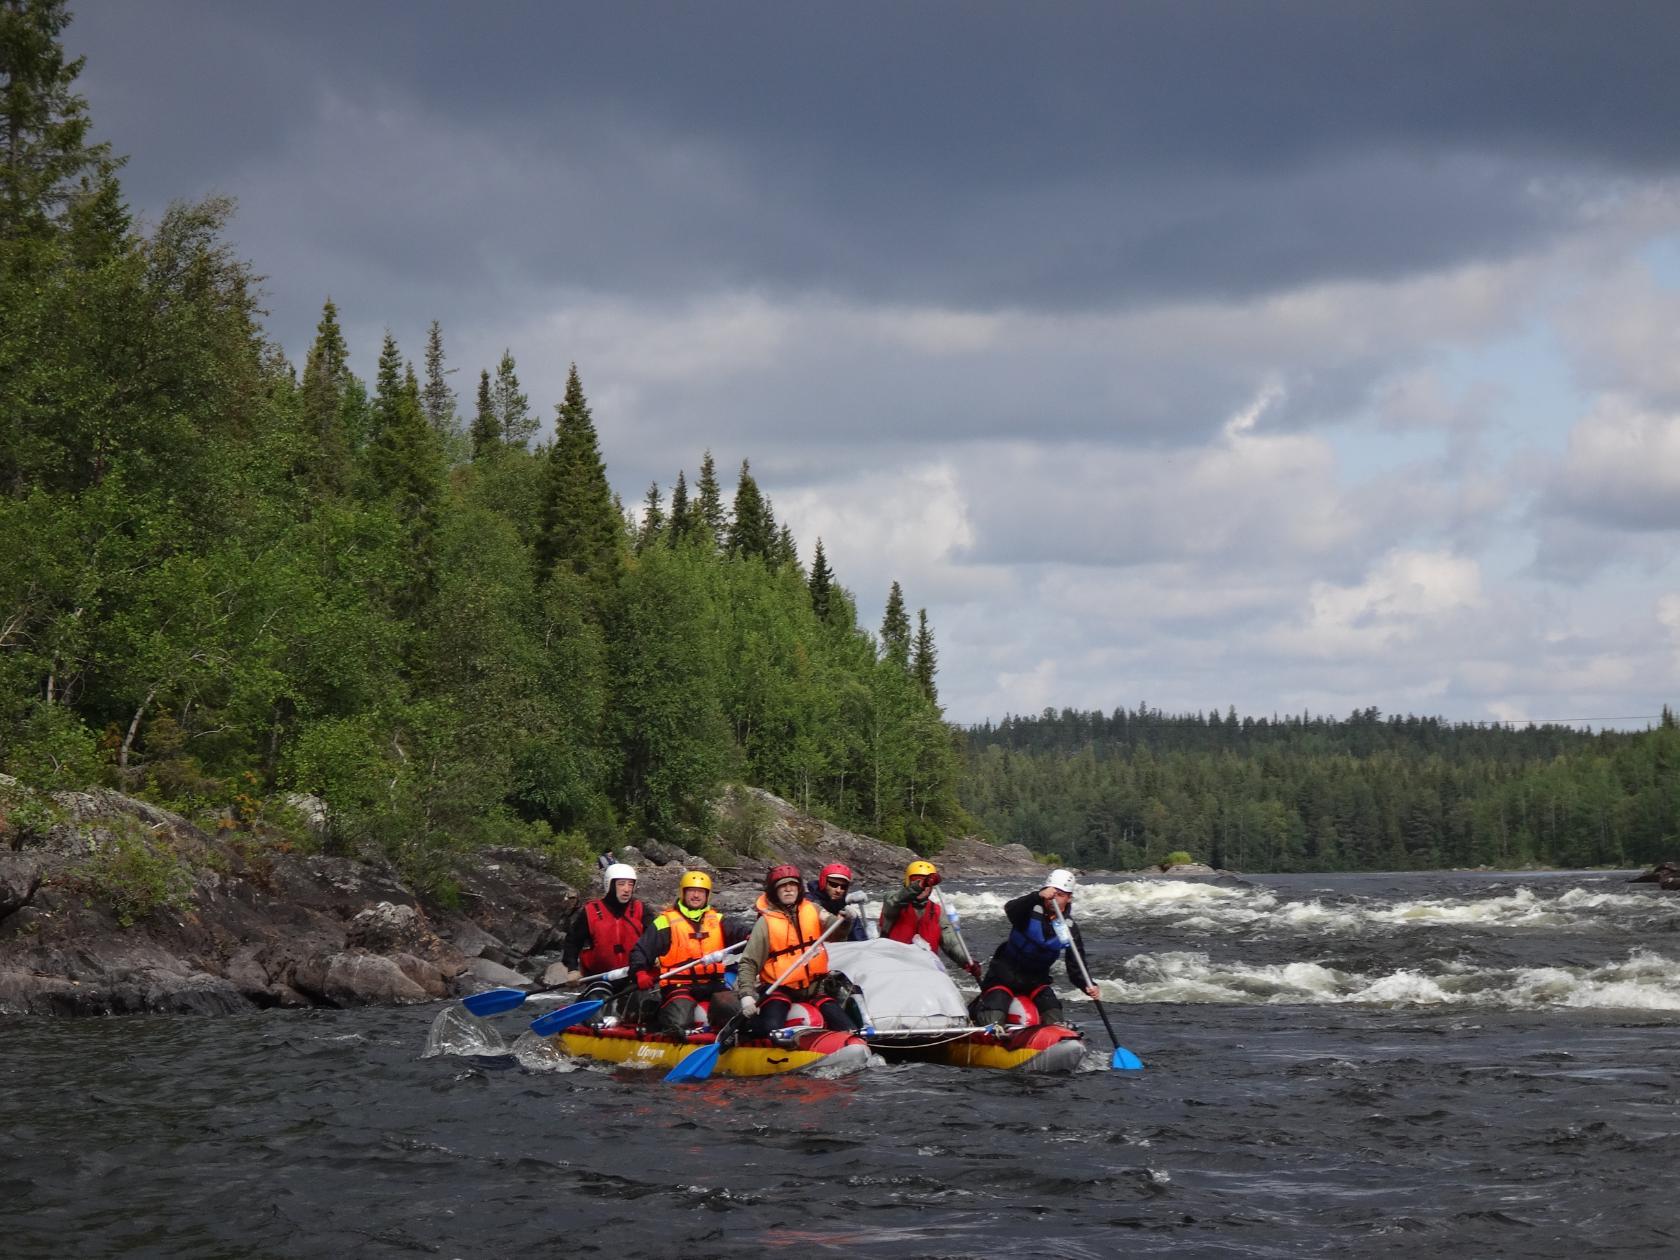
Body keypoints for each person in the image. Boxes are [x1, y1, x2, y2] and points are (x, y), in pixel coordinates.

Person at [736, 864, 859, 1035]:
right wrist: (747, 996)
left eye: (792, 885)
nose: (788, 890)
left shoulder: (814, 910)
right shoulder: (765, 923)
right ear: (775, 891)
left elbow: (836, 932)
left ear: (799, 888)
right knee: (769, 1027)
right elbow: (749, 962)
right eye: (782, 886)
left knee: (849, 1029)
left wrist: (845, 921)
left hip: (815, 988)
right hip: (780, 988)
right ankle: (749, 1033)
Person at [971, 868, 1100, 1028]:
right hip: (1002, 979)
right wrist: (1036, 896)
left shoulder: (1069, 929)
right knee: (994, 1013)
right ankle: (984, 1021)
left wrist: (1088, 985)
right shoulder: (1027, 912)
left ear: (1069, 898)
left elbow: (1076, 965)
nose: (1054, 899)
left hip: (1035, 983)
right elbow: (1010, 908)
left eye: (1060, 895)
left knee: (1053, 1013)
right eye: (1052, 893)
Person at [627, 870, 747, 1036]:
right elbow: (641, 950)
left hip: (713, 983)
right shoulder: (665, 922)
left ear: (707, 895)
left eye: (701, 892)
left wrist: (750, 935)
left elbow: (739, 932)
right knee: (680, 1020)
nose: (696, 895)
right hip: (678, 984)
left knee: (734, 1010)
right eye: (692, 891)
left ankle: (724, 1034)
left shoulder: (718, 920)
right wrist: (639, 971)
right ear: (683, 892)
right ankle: (656, 1018)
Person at [560, 861, 646, 1019]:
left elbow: (657, 939)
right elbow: (572, 943)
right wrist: (572, 968)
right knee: (597, 1004)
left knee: (644, 1005)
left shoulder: (641, 910)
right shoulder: (590, 912)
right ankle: (591, 1020)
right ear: (610, 885)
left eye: (630, 884)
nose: (627, 889)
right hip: (600, 977)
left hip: (633, 977)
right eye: (621, 884)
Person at [877, 859, 982, 979]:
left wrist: (967, 961)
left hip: (926, 973)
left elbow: (951, 944)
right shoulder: (892, 901)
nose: (924, 887)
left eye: (928, 883)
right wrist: (921, 884)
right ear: (907, 882)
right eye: (915, 880)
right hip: (893, 970)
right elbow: (894, 901)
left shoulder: (937, 911)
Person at [806, 862, 870, 941]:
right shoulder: (807, 903)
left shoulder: (847, 911)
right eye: (833, 884)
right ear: (823, 883)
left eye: (843, 887)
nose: (838, 890)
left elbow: (861, 941)